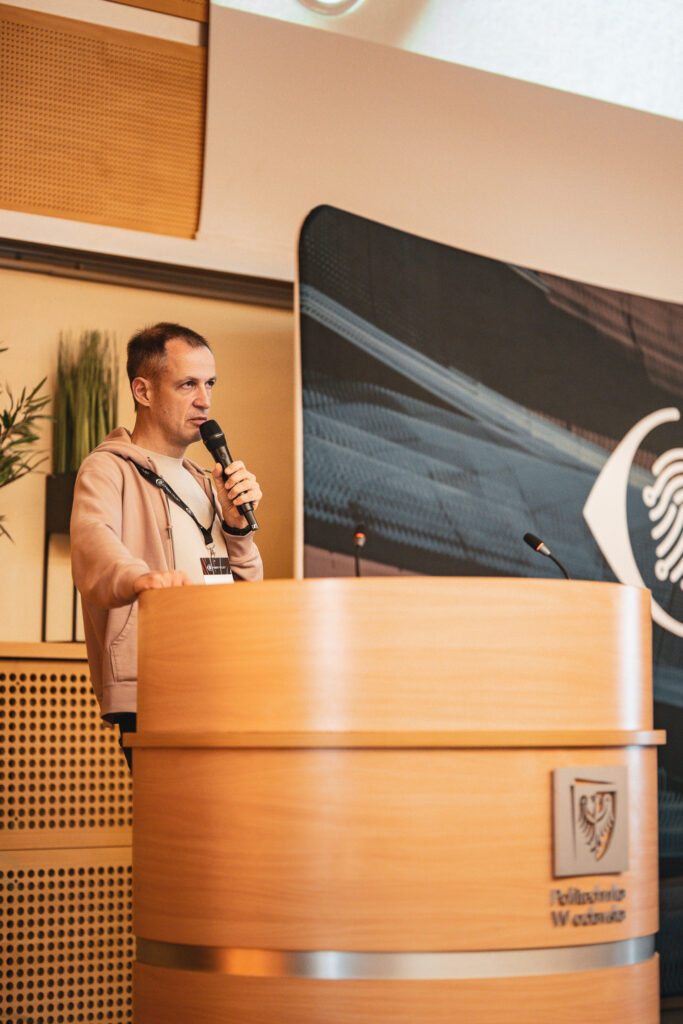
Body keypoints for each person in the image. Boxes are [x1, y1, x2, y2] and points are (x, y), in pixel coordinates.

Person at [70, 323, 263, 769]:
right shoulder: (108, 469)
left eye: (210, 383)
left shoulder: (207, 481)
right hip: (158, 683)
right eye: (187, 384)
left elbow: (246, 589)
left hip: (225, 679)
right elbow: (92, 542)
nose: (205, 400)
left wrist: (238, 532)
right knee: (178, 811)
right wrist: (141, 579)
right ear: (143, 390)